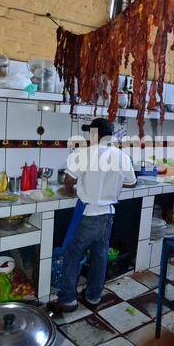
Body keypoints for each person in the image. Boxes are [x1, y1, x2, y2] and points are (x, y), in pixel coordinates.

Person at [47, 118, 136, 314]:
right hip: (108, 215)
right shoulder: (121, 156)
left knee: (72, 254)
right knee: (100, 256)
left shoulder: (85, 153)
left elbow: (69, 178)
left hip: (90, 214)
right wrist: (113, 183)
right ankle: (93, 296)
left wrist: (69, 190)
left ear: (94, 134)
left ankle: (68, 300)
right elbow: (132, 183)